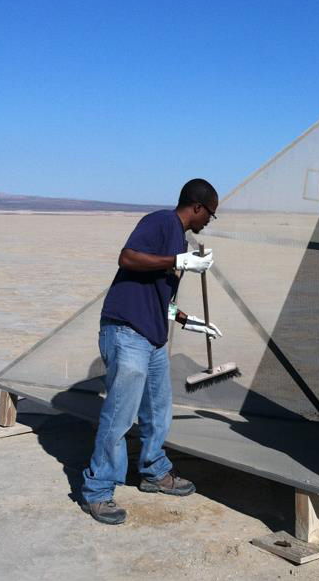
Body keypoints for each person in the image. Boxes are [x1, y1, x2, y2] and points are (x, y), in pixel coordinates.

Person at [81, 178, 222, 525]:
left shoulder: (180, 240)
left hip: (153, 335)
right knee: (120, 413)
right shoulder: (161, 222)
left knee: (158, 409)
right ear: (198, 207)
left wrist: (188, 320)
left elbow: (160, 299)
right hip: (127, 330)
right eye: (211, 216)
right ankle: (97, 491)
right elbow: (127, 258)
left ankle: (153, 471)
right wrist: (179, 260)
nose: (209, 223)